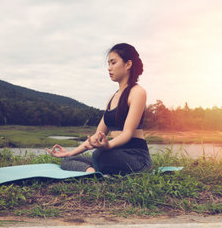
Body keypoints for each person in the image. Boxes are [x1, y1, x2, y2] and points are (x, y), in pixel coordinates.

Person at [46, 43, 152, 175]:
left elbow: (127, 133)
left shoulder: (137, 92)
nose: (109, 68)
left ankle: (98, 168)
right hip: (113, 154)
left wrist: (107, 146)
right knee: (68, 160)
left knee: (99, 155)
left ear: (128, 64)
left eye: (113, 63)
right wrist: (69, 152)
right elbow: (97, 135)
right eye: (108, 64)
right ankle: (93, 173)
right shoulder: (112, 98)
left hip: (136, 157)